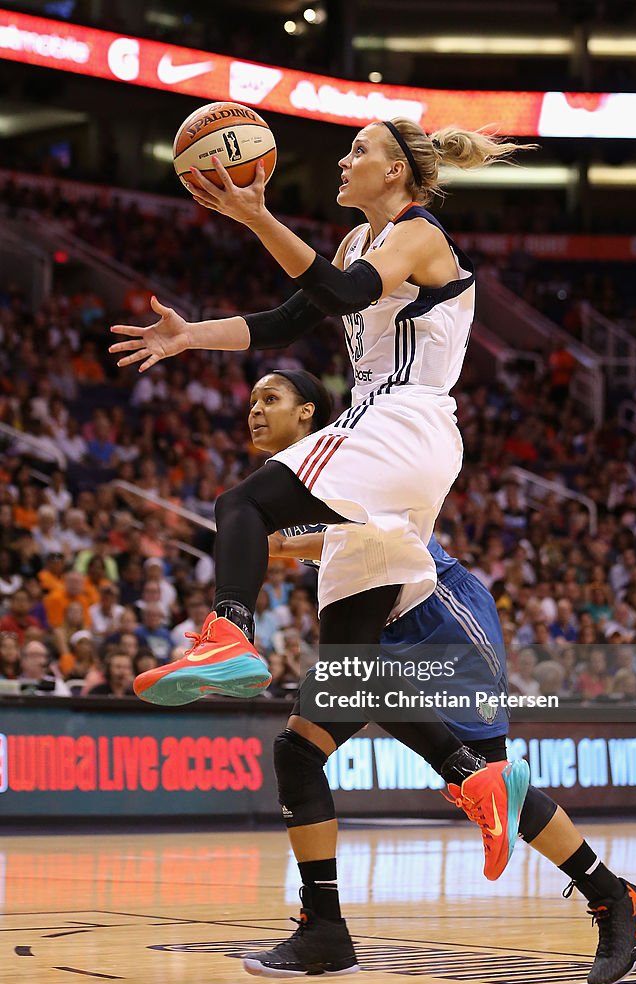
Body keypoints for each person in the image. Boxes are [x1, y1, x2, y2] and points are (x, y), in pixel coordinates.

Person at [111, 118, 536, 889]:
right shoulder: (351, 244)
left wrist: (253, 215)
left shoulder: (419, 235)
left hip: (401, 418)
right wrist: (186, 338)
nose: (344, 161)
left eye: (360, 152)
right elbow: (285, 321)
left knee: (241, 502)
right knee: (350, 669)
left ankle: (229, 633)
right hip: (400, 445)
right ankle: (475, 773)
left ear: (399, 174)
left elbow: (342, 295)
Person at [245, 370, 636, 984]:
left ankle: (613, 896)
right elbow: (308, 542)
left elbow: (343, 534)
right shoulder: (299, 476)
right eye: (251, 401)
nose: (254, 411)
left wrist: (257, 536)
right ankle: (325, 930)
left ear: (308, 412)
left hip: (441, 613)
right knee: (299, 752)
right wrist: (256, 536)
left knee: (490, 784)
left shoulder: (350, 449)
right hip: (382, 629)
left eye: (268, 399)